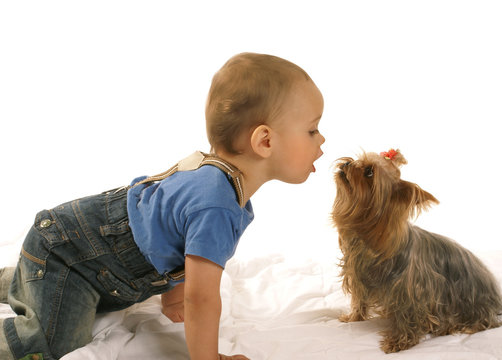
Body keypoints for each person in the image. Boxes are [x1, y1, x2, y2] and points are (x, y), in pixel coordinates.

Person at [0, 52, 325, 360]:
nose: (321, 140)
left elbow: (171, 228)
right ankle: (35, 279)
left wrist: (172, 295)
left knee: (69, 295)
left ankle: (29, 279)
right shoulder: (217, 206)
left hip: (84, 259)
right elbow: (202, 298)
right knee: (50, 348)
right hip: (65, 256)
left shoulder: (213, 176)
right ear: (264, 141)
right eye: (312, 129)